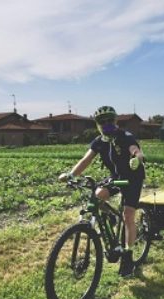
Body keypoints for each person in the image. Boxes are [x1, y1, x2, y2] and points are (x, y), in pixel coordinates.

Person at [59, 106, 145, 277]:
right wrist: (71, 175)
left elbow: (136, 151)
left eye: (109, 121)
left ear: (115, 121)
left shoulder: (125, 137)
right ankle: (111, 217)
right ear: (97, 124)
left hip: (132, 179)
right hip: (118, 178)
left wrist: (137, 159)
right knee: (97, 196)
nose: (106, 124)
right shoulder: (99, 141)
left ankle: (128, 256)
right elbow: (85, 160)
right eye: (102, 121)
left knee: (128, 216)